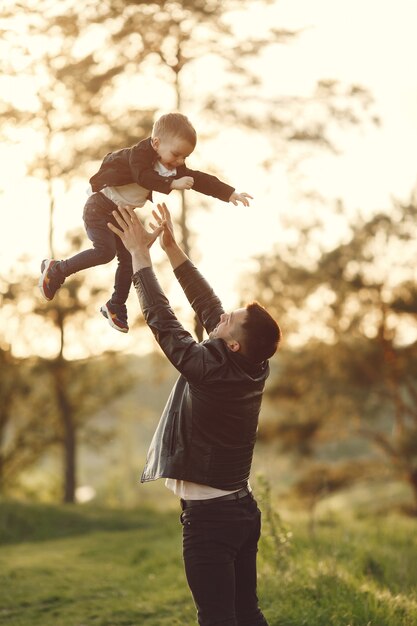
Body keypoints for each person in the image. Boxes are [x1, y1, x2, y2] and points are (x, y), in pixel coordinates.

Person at [108, 202, 281, 626]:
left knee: (218, 619)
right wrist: (173, 249)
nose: (222, 317)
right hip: (240, 511)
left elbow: (164, 324)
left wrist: (140, 258)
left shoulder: (210, 368)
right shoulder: (253, 364)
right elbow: (209, 305)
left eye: (230, 321)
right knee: (246, 613)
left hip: (212, 523)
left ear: (234, 343)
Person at [38, 112, 252, 333]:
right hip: (99, 206)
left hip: (120, 212)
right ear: (156, 143)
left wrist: (229, 193)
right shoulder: (139, 154)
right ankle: (57, 269)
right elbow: (143, 177)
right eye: (176, 154)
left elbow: (200, 180)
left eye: (184, 158)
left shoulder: (171, 167)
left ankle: (115, 305)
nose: (179, 162)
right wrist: (172, 184)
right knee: (105, 252)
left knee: (130, 257)